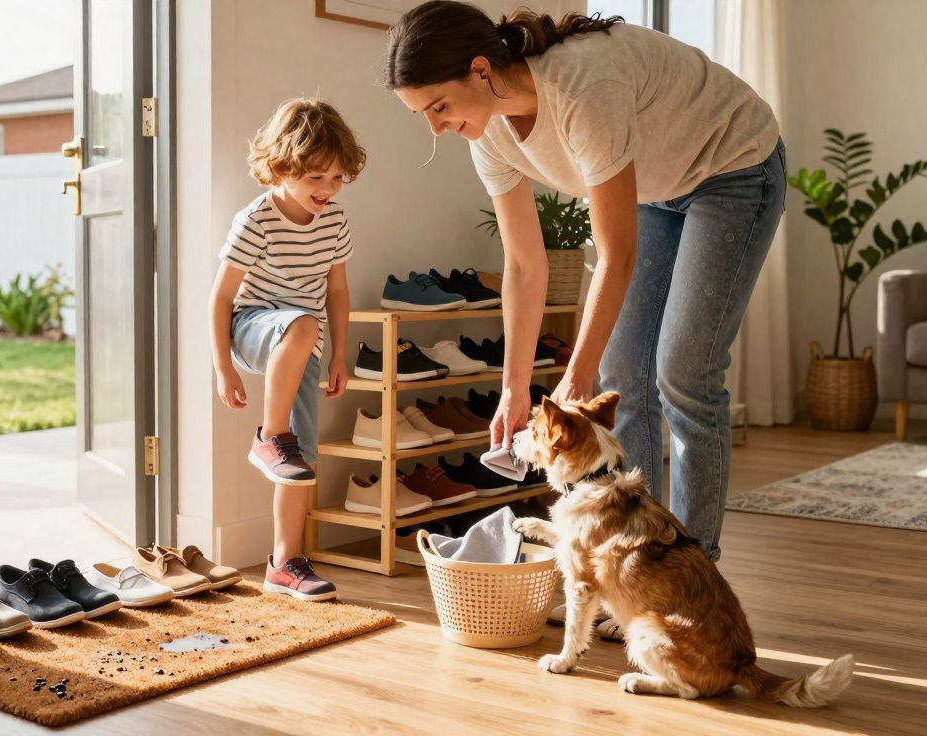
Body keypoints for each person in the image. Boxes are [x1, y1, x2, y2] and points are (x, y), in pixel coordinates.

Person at [383, 2, 785, 581]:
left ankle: (691, 571)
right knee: (625, 374)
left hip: (734, 165)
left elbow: (614, 256)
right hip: (657, 187)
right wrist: (513, 389)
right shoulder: (489, 135)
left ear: (479, 70)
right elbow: (523, 265)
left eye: (438, 106)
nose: (435, 126)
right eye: (421, 114)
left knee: (683, 373)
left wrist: (573, 378)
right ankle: (634, 560)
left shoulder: (581, 90)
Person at [208, 98, 365, 602]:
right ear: (282, 167)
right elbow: (221, 297)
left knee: (302, 460)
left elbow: (337, 291)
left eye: (337, 178)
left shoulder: (335, 220)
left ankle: (284, 563)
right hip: (252, 330)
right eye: (316, 178)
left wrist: (339, 354)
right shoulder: (257, 219)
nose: (327, 190)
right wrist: (222, 369)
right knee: (299, 325)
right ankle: (268, 435)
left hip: (302, 344)